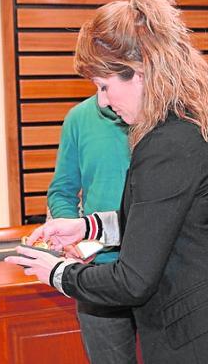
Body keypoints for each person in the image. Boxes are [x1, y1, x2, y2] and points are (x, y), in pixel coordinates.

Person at [5, 0, 208, 363]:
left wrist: (58, 273)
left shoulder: (167, 143)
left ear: (139, 70)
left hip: (198, 341)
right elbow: (175, 222)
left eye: (104, 86)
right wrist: (90, 227)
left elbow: (132, 280)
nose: (102, 102)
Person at [47, 95, 135, 362]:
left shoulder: (161, 118)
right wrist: (73, 238)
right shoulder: (79, 118)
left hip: (159, 267)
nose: (104, 95)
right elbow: (61, 192)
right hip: (98, 272)